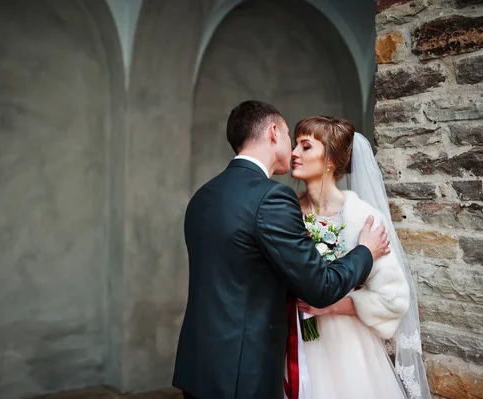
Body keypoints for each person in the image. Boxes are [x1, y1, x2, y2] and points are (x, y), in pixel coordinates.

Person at [172, 101, 391, 399]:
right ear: (274, 133)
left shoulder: (203, 196)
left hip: (198, 366)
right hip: (242, 372)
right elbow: (320, 287)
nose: (293, 150)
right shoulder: (272, 198)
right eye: (290, 136)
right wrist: (365, 250)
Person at [290, 116, 431, 399]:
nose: (293, 153)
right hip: (291, 342)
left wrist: (330, 305)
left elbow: (393, 299)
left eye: (305, 147)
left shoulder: (362, 218)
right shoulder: (285, 212)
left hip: (346, 350)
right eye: (295, 145)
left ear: (329, 160)